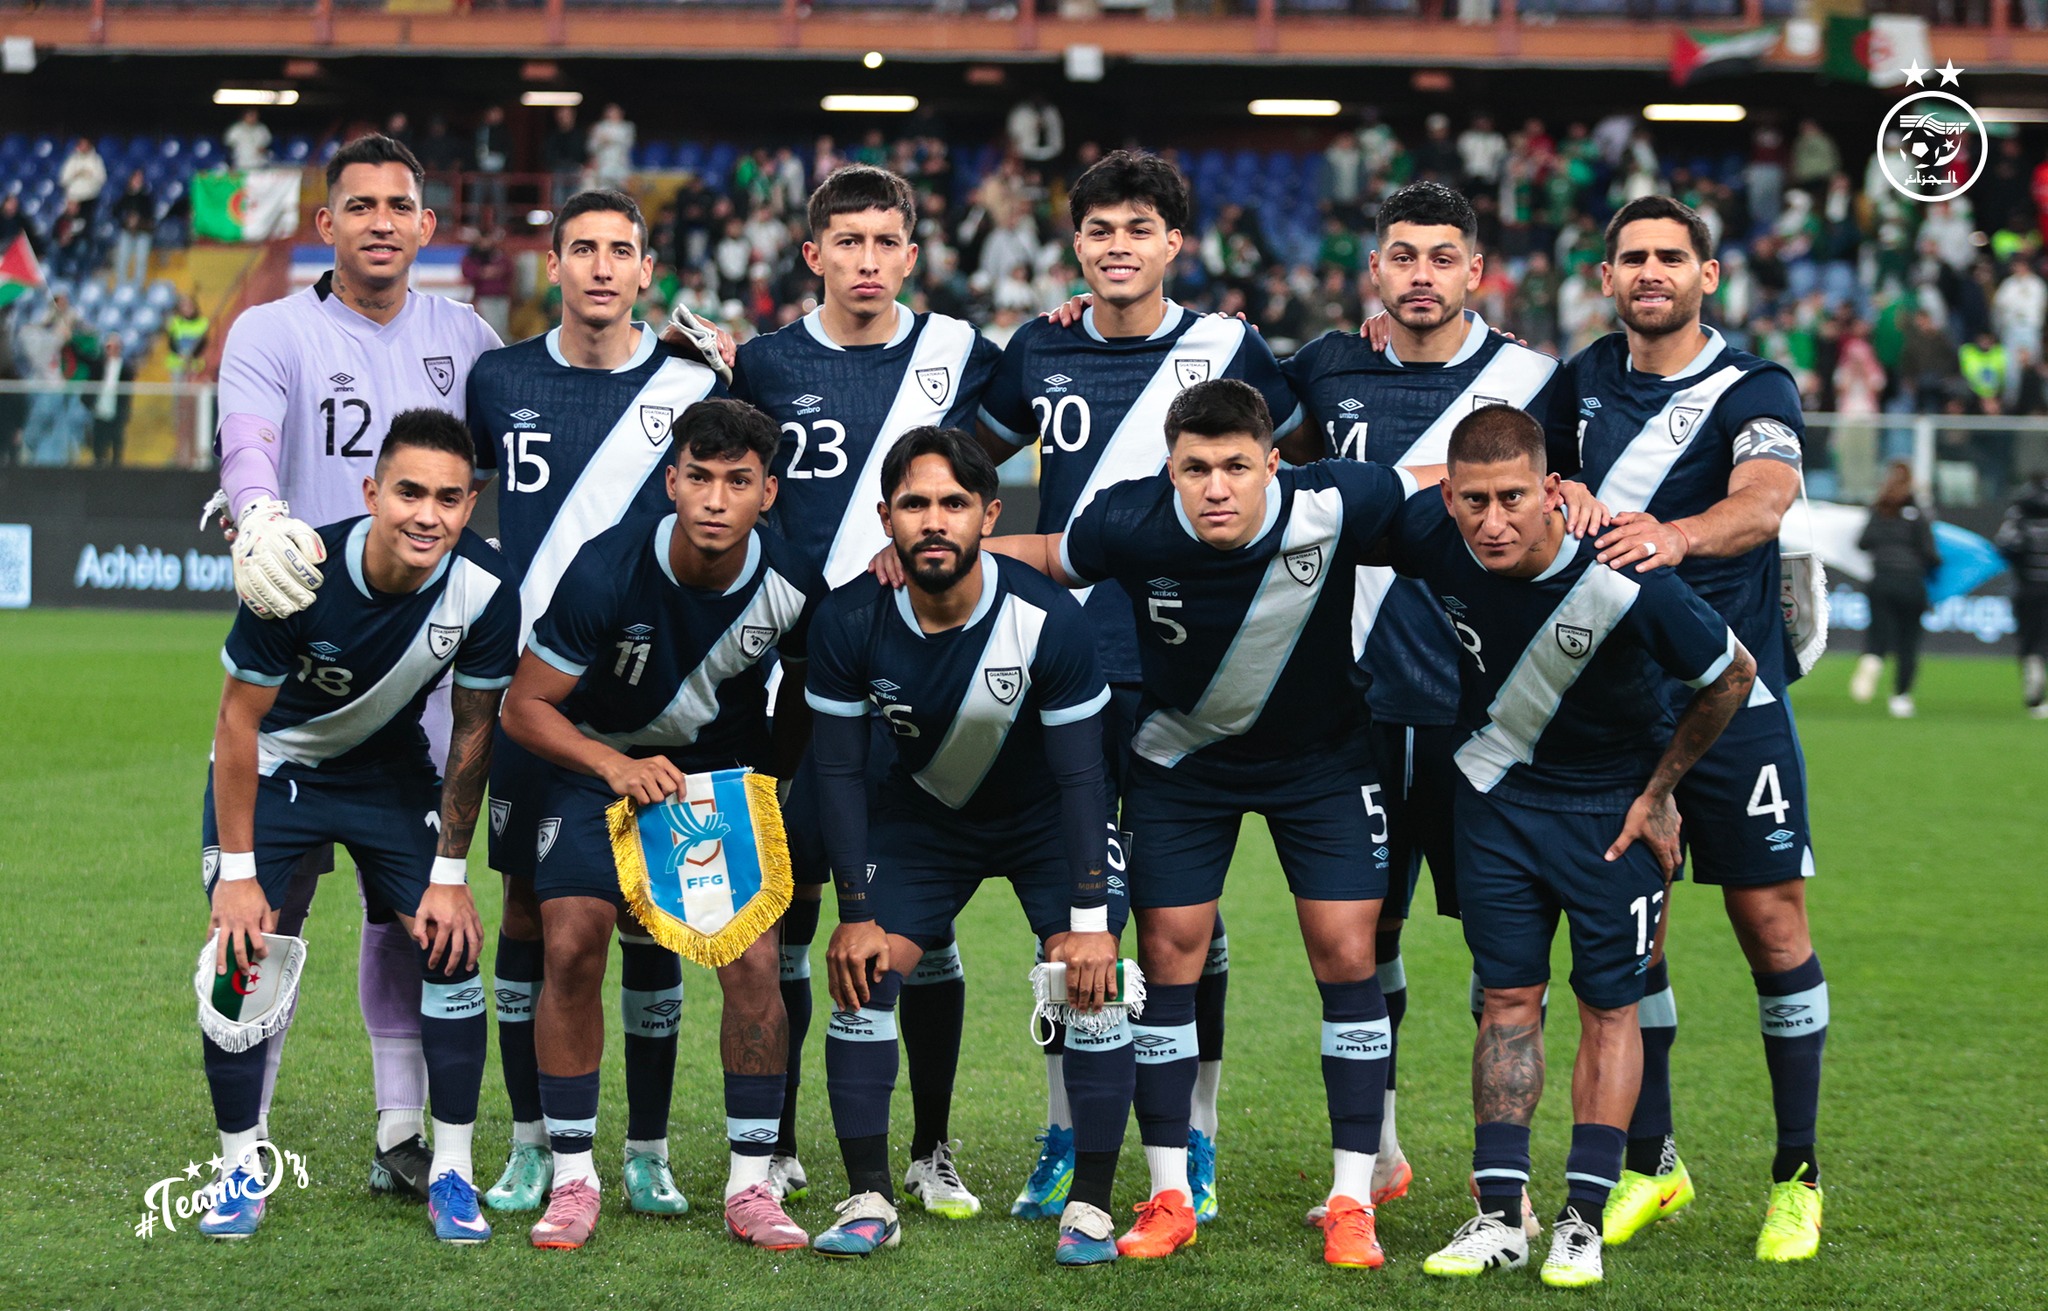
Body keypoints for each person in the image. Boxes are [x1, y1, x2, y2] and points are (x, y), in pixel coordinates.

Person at [984, 379, 1435, 1269]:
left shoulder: (1338, 496)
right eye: (1197, 468)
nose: (1217, 486)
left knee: (1347, 954)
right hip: (1182, 763)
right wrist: (934, 545)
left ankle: (1352, 1199)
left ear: (1275, 463)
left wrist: (1565, 490)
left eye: (1237, 465)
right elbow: (1042, 549)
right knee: (1166, 959)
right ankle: (1169, 1195)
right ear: (1171, 467)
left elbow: (1442, 479)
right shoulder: (1131, 519)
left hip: (1325, 762)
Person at [978, 148, 1304, 1226]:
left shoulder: (1228, 350)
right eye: (1099, 231)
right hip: (1060, 667)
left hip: (1190, 671)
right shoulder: (1037, 350)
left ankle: (1193, 1134)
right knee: (1066, 911)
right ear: (1075, 245)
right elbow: (955, 464)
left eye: (1138, 230)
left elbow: (1288, 467)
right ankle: (1066, 1131)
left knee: (1184, 919)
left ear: (1174, 243)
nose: (1117, 248)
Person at [1398, 405, 1755, 1289]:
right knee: (1507, 1003)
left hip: (1611, 820)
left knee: (1609, 1009)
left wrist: (1662, 792)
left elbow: (1732, 674)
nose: (1492, 520)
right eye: (1473, 500)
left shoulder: (1625, 571)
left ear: (1554, 490)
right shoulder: (1434, 534)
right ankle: (1498, 1218)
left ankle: (1582, 1220)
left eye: (1513, 497)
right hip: (1496, 806)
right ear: (1447, 496)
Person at [211, 132, 503, 1202]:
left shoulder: (469, 337)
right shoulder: (270, 327)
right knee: (265, 913)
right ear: (323, 224)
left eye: (401, 205)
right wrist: (258, 519)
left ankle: (398, 1128)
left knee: (409, 908)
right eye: (360, 204)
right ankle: (246, 1153)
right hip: (307, 646)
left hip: (423, 665)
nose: (381, 221)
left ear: (429, 227)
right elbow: (247, 436)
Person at [1551, 194, 1831, 1263]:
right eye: (1632, 257)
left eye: (1671, 256)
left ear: (1706, 275)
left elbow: (1763, 500)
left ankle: (1795, 1177)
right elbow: (1490, 455)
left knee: (1770, 930)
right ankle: (1649, 1163)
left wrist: (1673, 534)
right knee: (1632, 941)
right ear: (1607, 275)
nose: (1650, 271)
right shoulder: (1574, 382)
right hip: (1617, 708)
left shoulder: (1752, 385)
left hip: (1734, 701)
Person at [721, 163, 1003, 1213]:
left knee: (919, 915)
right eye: (848, 243)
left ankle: (929, 1147)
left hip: (921, 675)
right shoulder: (761, 363)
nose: (868, 261)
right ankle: (785, 1137)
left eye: (887, 242)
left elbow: (1013, 432)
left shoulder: (958, 354)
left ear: (913, 256)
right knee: (787, 910)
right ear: (812, 255)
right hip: (787, 678)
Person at [1282, 180, 1561, 1226]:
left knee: (1506, 954)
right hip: (1357, 698)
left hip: (1486, 709)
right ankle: (1383, 1149)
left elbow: (1569, 499)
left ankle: (1511, 1187)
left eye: (1442, 257)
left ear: (1474, 273)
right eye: (1401, 256)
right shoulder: (1325, 365)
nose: (1420, 275)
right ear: (1374, 273)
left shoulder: (1537, 380)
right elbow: (1226, 413)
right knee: (1368, 933)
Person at [499, 398, 821, 1252]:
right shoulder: (608, 568)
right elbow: (524, 708)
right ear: (672, 481)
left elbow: (810, 697)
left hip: (714, 784)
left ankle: (752, 1185)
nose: (717, 499)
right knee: (569, 941)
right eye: (702, 478)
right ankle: (573, 1176)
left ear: (768, 492)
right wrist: (612, 767)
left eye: (739, 482)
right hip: (595, 763)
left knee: (754, 955)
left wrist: (770, 784)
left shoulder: (793, 579)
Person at [194, 410, 518, 1243]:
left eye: (450, 498)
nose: (427, 514)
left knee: (450, 944)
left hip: (386, 770)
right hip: (275, 768)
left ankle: (450, 1168)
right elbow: (237, 725)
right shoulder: (297, 573)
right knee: (242, 957)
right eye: (408, 491)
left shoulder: (486, 586)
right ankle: (237, 1168)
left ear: (471, 501)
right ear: (372, 492)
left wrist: (450, 877)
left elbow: (475, 729)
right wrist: (235, 872)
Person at [806, 427, 1128, 1264]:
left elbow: (1082, 778)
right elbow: (840, 772)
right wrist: (856, 912)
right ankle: (871, 1193)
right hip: (924, 819)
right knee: (865, 969)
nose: (935, 520)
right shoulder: (848, 619)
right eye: (915, 504)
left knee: (1086, 973)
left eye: (954, 503)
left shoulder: (1047, 618)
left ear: (990, 513)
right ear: (887, 518)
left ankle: (1090, 1205)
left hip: (1044, 822)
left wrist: (1089, 918)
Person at [466, 186, 727, 1215]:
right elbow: (455, 497)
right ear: (556, 264)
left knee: (652, 919)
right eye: (583, 250)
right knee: (529, 912)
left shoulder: (692, 379)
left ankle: (649, 1151)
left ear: (647, 271)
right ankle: (533, 1143)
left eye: (622, 251)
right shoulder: (500, 380)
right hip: (533, 691)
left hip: (655, 700)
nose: (603, 268)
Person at [1850, 462, 1940, 717]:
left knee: (1879, 632)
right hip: (1911, 582)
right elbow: (1930, 553)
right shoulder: (1918, 514)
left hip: (1881, 581)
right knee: (1908, 642)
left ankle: (1873, 658)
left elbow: (1862, 542)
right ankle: (1901, 697)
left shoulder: (1879, 510)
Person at [1995, 471, 2048, 716]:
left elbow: (2004, 544)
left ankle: (2032, 671)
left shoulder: (2019, 511)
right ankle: (2040, 660)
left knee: (2028, 637)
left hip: (2026, 585)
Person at [166, 292, 212, 469]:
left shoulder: (202, 323)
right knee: (180, 409)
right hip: (178, 368)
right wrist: (182, 356)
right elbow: (172, 344)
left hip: (195, 369)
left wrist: (190, 357)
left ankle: (193, 452)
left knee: (195, 410)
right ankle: (181, 452)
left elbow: (203, 344)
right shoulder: (175, 323)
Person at [87, 333, 131, 466]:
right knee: (98, 444)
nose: (112, 350)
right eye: (109, 347)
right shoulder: (98, 366)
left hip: (117, 412)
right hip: (100, 410)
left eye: (115, 347)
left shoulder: (126, 369)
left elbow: (127, 394)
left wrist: (125, 411)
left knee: (116, 443)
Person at [111, 169, 156, 288]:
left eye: (140, 179)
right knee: (122, 258)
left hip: (142, 232)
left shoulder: (146, 197)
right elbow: (115, 212)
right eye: (136, 178)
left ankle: (137, 286)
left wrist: (138, 219)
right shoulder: (125, 196)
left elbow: (150, 215)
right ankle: (121, 285)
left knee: (141, 260)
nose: (138, 181)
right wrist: (127, 219)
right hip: (127, 231)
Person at [587, 103, 636, 192]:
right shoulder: (599, 127)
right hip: (604, 167)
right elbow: (591, 146)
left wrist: (610, 138)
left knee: (622, 194)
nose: (612, 114)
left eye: (615, 111)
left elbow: (629, 143)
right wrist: (600, 141)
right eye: (610, 111)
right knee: (604, 193)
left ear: (621, 113)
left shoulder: (627, 127)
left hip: (621, 166)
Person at [60, 137, 107, 210]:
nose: (83, 147)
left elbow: (102, 178)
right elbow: (63, 180)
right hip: (73, 198)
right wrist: (75, 175)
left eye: (85, 144)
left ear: (89, 146)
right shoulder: (72, 160)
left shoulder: (97, 160)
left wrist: (89, 175)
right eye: (81, 144)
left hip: (90, 197)